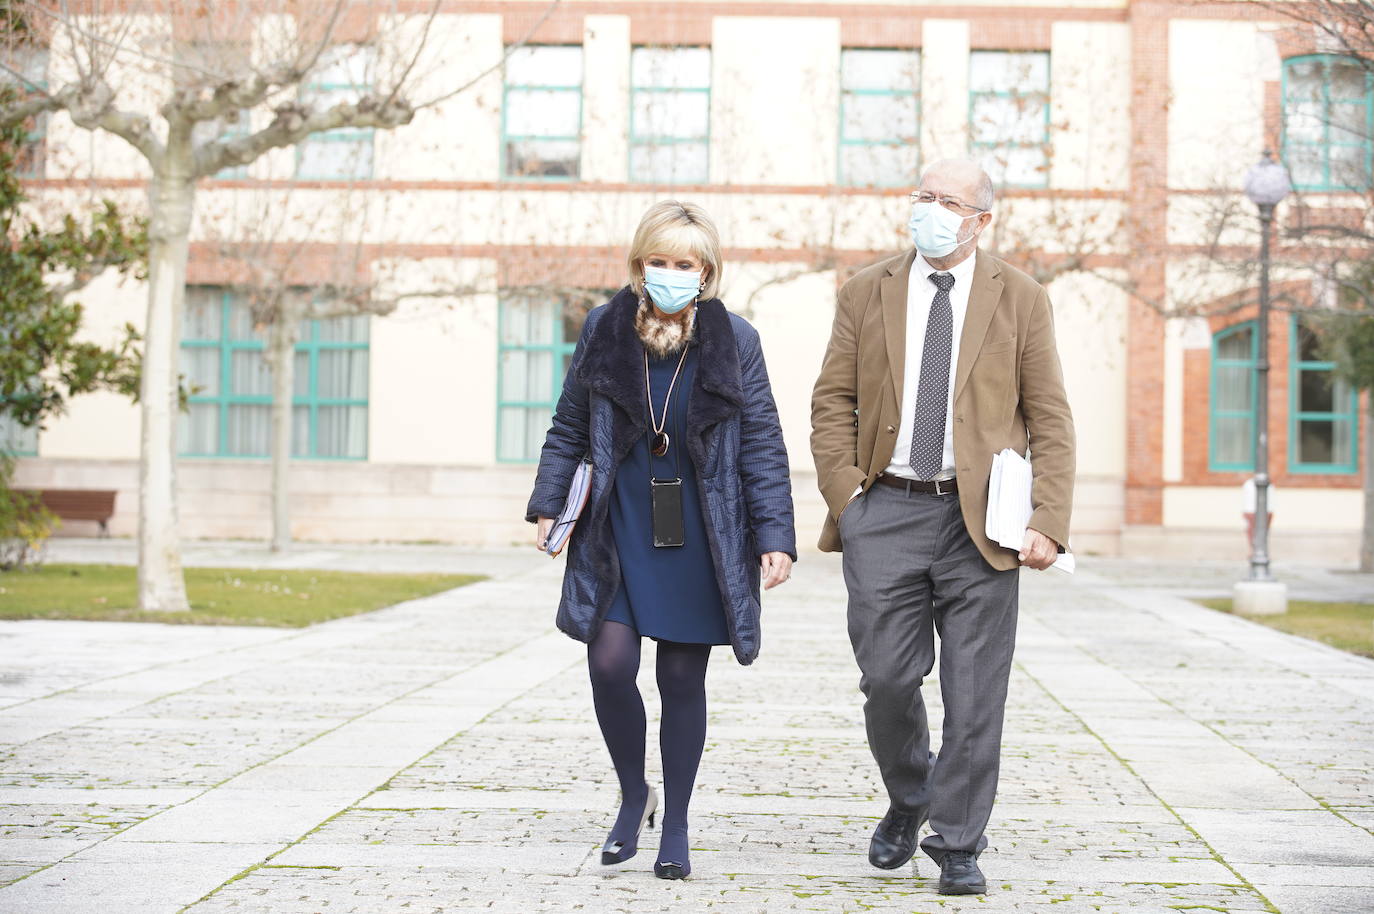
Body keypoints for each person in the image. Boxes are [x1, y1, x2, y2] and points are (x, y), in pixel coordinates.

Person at [810, 159, 1076, 895]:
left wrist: (1048, 520)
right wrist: (848, 503)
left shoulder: (1020, 298)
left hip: (982, 522)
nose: (930, 209)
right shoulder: (866, 290)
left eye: (948, 200)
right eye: (923, 196)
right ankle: (909, 795)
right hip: (885, 510)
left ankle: (958, 843)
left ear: (981, 219)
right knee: (887, 680)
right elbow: (831, 401)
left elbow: (1049, 414)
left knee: (974, 689)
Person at [527, 200, 796, 880]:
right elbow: (567, 424)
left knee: (681, 676)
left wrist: (775, 535)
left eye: (686, 264)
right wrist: (549, 501)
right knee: (609, 664)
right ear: (638, 264)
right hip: (618, 525)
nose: (670, 274)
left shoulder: (735, 340)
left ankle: (675, 820)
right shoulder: (603, 329)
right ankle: (631, 793)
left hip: (703, 528)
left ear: (705, 272)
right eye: (659, 261)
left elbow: (762, 441)